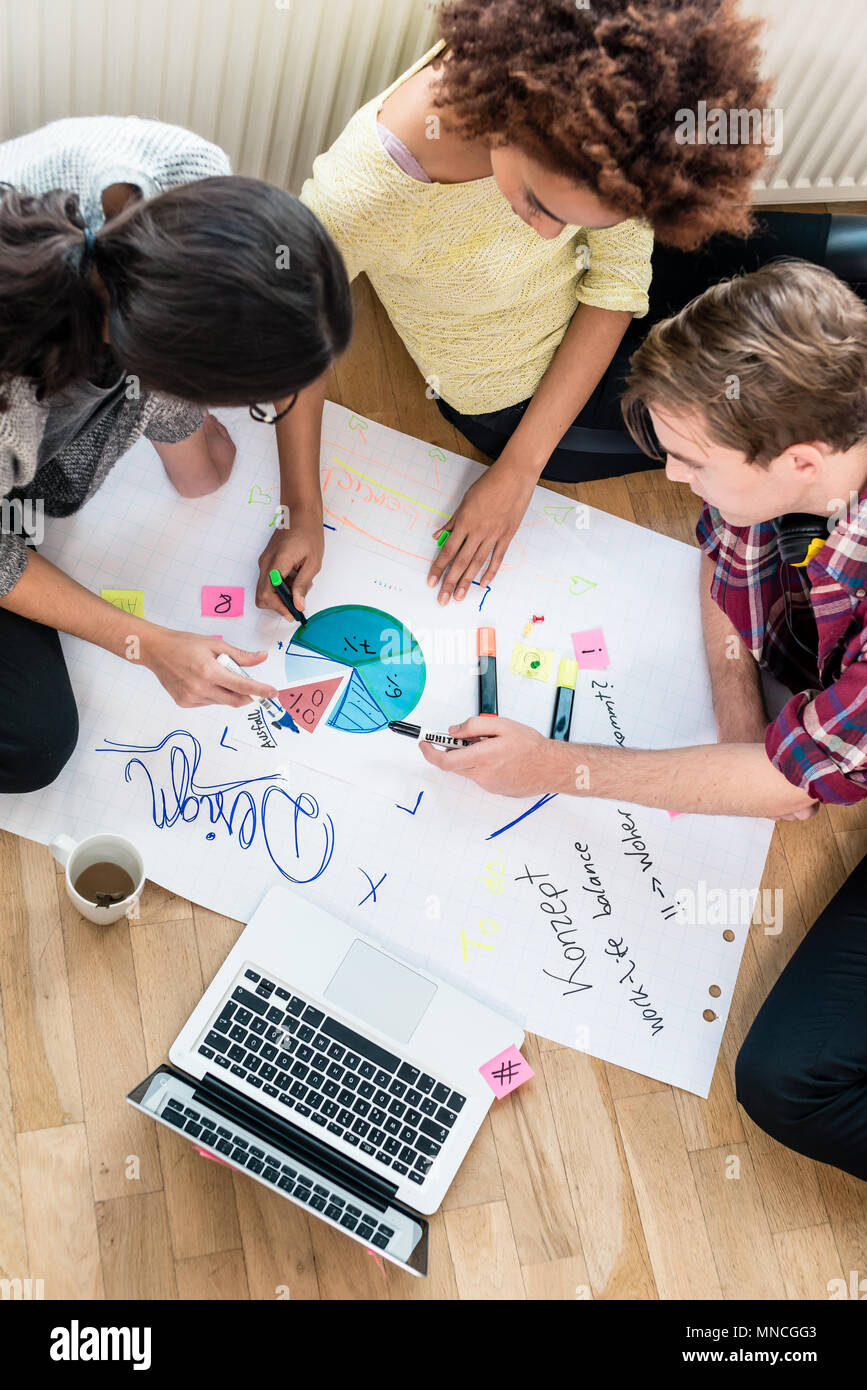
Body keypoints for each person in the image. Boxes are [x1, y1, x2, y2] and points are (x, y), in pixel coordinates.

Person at [420, 258, 867, 1180]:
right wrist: (741, 718)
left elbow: (789, 785)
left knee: (789, 1083)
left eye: (693, 461)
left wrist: (550, 767)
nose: (668, 474)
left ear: (802, 463)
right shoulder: (796, 450)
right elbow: (726, 559)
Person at [264, 0, 867, 611]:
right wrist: (304, 510)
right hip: (524, 394)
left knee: (853, 259)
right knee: (783, 421)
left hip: (628, 294)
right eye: (538, 205)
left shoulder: (605, 116)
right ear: (514, 115)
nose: (549, 236)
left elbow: (617, 280)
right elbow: (294, 338)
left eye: (573, 218)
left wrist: (601, 227)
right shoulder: (363, 194)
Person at [0, 116, 352, 795]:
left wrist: (302, 507)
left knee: (204, 471)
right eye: (253, 402)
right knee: (33, 744)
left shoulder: (189, 182)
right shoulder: (13, 388)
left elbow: (294, 315)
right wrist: (149, 645)